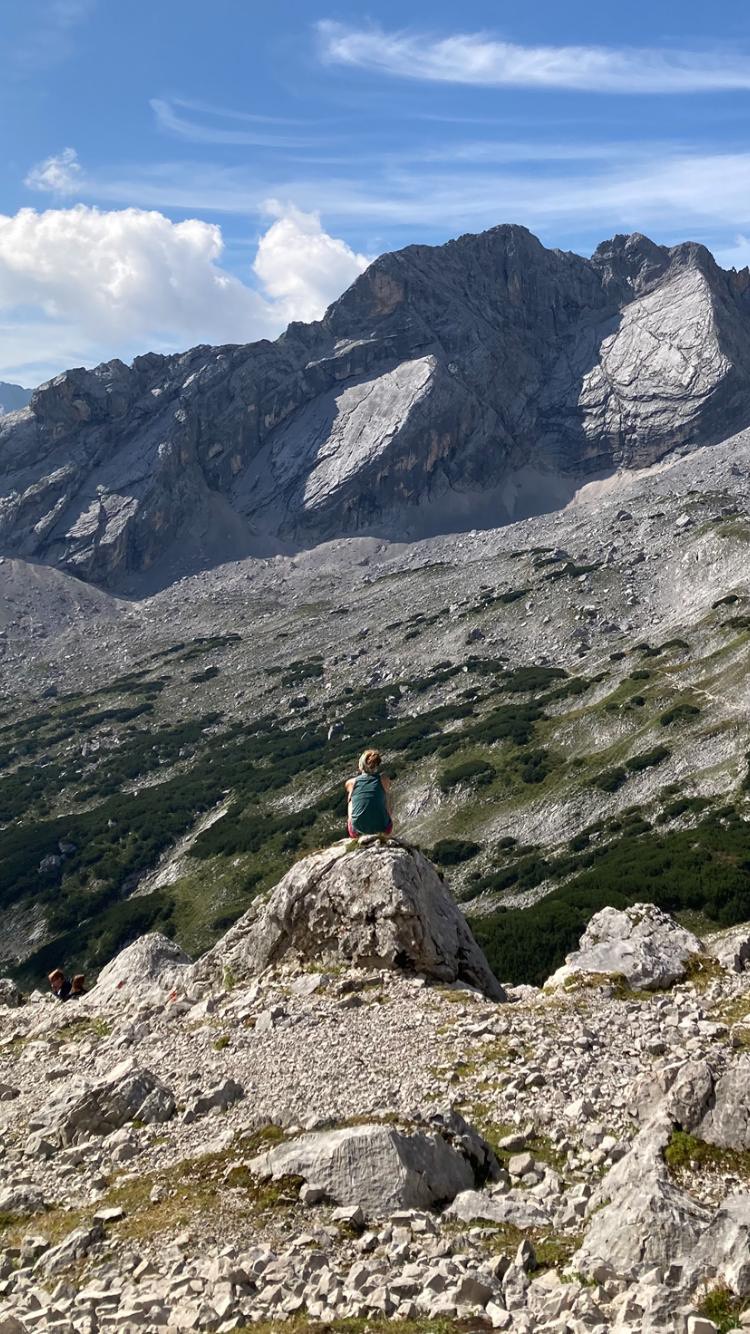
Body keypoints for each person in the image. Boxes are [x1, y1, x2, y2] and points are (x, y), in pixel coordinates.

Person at [345, 749, 393, 838]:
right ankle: (384, 825)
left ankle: (355, 828)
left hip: (357, 831)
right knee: (387, 796)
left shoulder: (351, 782)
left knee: (351, 800)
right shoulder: (384, 779)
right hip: (383, 829)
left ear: (360, 766)